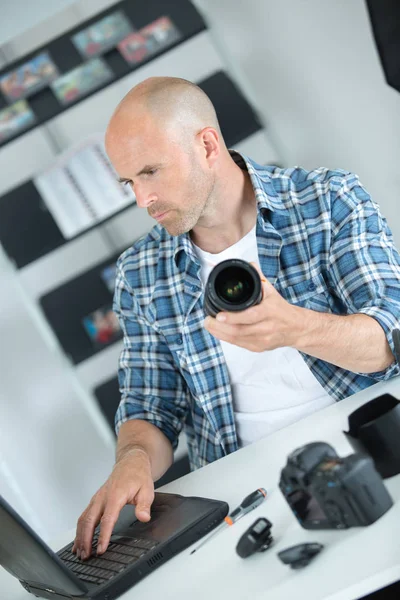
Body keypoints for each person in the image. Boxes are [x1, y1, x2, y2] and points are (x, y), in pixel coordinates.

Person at [72, 76, 400, 561]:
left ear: (207, 144)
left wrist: (296, 327)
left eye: (150, 172)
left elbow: (390, 339)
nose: (142, 200)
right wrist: (134, 459)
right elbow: (151, 407)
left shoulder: (327, 199)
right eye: (129, 183)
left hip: (374, 448)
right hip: (252, 494)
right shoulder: (139, 273)